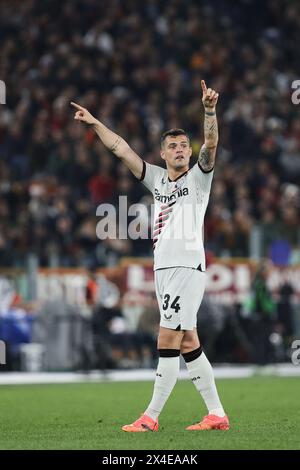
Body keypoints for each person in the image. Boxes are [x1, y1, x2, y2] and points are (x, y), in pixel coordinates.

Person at [71, 79, 229, 432]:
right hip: (164, 268)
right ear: (162, 153)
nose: (179, 150)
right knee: (188, 341)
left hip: (185, 268)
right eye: (172, 146)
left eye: (184, 146)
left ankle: (151, 417)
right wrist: (96, 123)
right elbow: (121, 150)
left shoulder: (199, 179)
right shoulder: (157, 179)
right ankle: (217, 414)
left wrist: (208, 110)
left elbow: (213, 144)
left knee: (167, 338)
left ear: (190, 152)